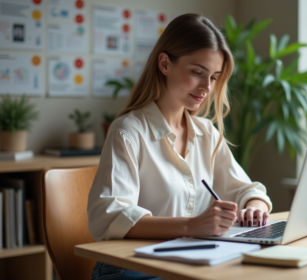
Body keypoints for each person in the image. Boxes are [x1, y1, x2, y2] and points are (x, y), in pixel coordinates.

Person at [88, 13, 272, 280]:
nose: (206, 87)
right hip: (130, 269)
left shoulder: (206, 133)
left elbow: (245, 189)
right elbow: (109, 216)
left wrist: (255, 206)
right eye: (197, 72)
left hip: (186, 265)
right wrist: (193, 225)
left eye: (214, 77)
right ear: (164, 63)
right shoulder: (128, 132)